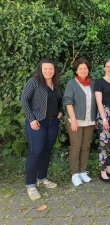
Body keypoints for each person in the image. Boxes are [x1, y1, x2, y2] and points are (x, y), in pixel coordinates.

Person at [21, 58, 62, 200]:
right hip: (37, 122)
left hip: (53, 123)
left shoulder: (56, 85)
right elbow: (24, 100)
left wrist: (61, 111)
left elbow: (60, 100)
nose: (48, 71)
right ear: (41, 69)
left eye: (51, 69)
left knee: (46, 151)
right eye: (45, 69)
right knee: (36, 151)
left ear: (54, 70)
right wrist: (31, 119)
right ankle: (30, 185)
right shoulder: (34, 82)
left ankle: (42, 178)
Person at [63, 58, 96, 186]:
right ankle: (75, 174)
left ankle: (83, 172)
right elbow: (68, 102)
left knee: (86, 146)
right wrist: (73, 121)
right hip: (75, 120)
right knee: (76, 146)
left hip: (89, 121)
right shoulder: (72, 83)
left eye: (86, 68)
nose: (83, 70)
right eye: (81, 68)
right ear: (76, 70)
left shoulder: (92, 84)